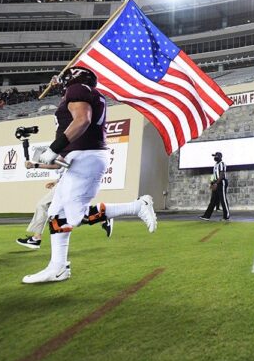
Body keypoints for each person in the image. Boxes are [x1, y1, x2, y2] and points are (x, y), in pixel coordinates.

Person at [23, 67, 158, 284]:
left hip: (85, 158)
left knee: (73, 217)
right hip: (82, 157)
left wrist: (55, 148)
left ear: (73, 79)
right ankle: (57, 268)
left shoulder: (77, 90)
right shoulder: (84, 92)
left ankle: (137, 206)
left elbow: (82, 120)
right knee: (56, 215)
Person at [15, 159, 112, 249]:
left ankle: (36, 239)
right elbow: (65, 169)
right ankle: (102, 217)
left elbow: (57, 165)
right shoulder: (71, 149)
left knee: (43, 205)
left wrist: (34, 165)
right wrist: (56, 181)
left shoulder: (68, 147)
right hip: (65, 183)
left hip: (68, 184)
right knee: (69, 215)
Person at [200, 151, 230, 221]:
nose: (215, 157)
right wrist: (211, 183)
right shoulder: (215, 165)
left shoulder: (222, 164)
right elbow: (213, 175)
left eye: (216, 156)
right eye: (214, 156)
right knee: (213, 200)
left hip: (221, 182)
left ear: (220, 157)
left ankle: (226, 217)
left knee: (223, 199)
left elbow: (222, 174)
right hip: (215, 183)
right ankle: (206, 216)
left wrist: (216, 183)